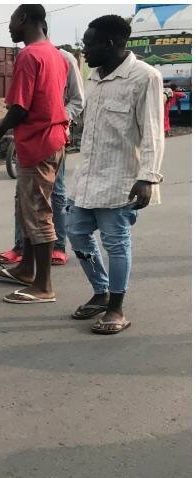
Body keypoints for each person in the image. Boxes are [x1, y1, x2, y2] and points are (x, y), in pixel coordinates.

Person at [67, 15, 164, 334]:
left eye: (89, 43)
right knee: (77, 233)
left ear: (109, 43)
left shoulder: (144, 77)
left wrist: (148, 176)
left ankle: (117, 308)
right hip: (87, 178)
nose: (85, 50)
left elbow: (152, 132)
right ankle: (101, 291)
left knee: (116, 243)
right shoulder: (93, 77)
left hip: (122, 180)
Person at [0, 5, 69, 305]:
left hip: (39, 142)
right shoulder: (54, 54)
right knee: (28, 208)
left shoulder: (30, 55)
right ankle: (26, 269)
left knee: (37, 213)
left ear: (23, 20)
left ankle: (43, 285)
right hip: (49, 140)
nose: (9, 27)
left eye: (10, 21)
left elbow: (20, 108)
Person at [0, 36, 86, 267]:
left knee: (54, 193)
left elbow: (77, 100)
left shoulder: (63, 58)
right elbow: (23, 99)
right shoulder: (28, 57)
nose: (10, 28)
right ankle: (22, 249)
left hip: (52, 135)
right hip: (30, 135)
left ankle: (57, 247)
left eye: (14, 21)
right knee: (24, 196)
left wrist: (55, 117)